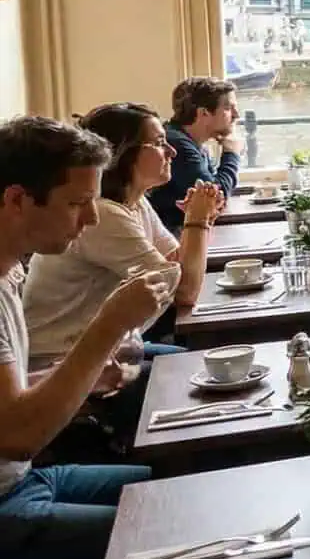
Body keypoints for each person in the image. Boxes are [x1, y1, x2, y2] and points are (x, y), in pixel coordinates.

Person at [0, 116, 172, 559]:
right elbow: (18, 435)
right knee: (168, 533)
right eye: (77, 203)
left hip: (23, 481)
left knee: (178, 489)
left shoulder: (9, 271)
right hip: (8, 506)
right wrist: (109, 326)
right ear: (16, 200)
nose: (92, 218)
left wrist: (82, 371)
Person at [24, 105, 219, 366]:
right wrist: (197, 222)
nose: (172, 151)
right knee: (200, 370)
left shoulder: (134, 204)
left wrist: (200, 220)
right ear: (123, 153)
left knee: (202, 361)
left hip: (112, 350)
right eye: (160, 143)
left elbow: (178, 265)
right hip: (62, 364)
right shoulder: (103, 216)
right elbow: (185, 291)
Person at [149, 77, 241, 232]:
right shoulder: (177, 145)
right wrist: (231, 153)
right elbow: (215, 198)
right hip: (172, 238)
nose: (236, 115)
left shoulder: (194, 143)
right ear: (203, 113)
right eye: (228, 108)